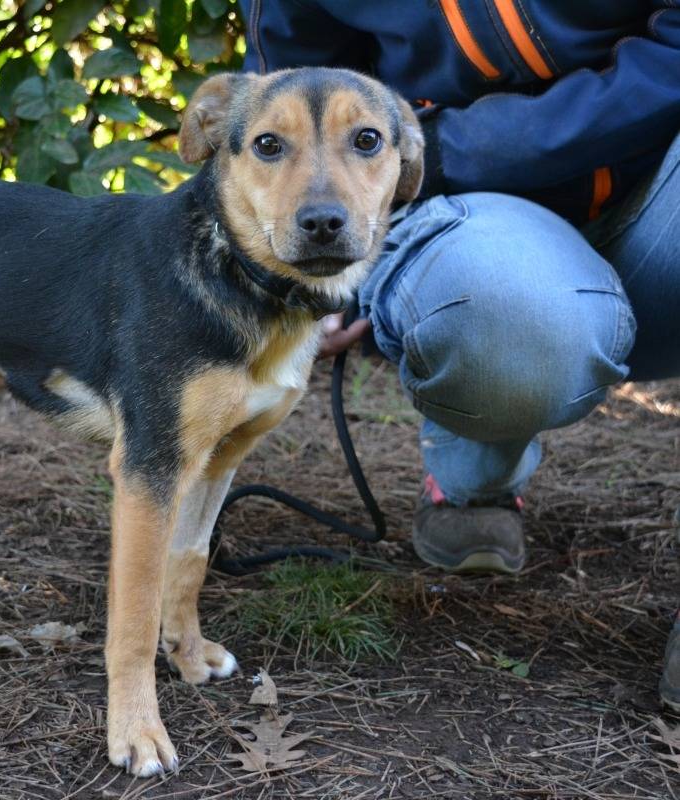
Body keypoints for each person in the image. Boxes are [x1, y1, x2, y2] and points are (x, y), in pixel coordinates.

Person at [237, 1, 680, 708]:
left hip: (662, 185)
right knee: (502, 311)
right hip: (477, 215)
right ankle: (475, 472)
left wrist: (446, 146)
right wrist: (313, 260)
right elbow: (295, 86)